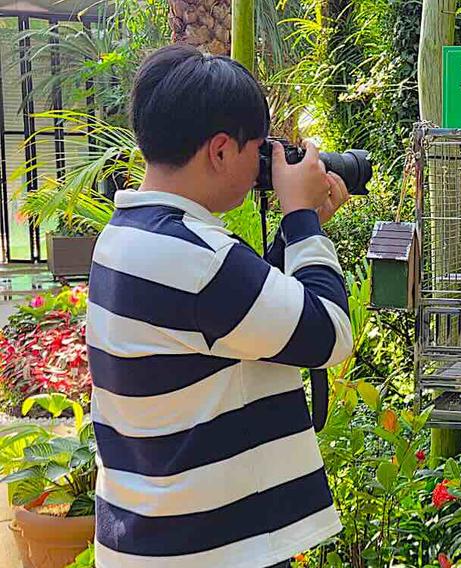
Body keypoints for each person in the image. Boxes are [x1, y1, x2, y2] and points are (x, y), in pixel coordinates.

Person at [86, 44, 353, 567]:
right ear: (222, 151)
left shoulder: (127, 238)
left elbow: (247, 315)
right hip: (211, 550)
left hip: (157, 539)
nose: (264, 166)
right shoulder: (197, 261)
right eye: (259, 151)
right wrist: (301, 219)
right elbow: (329, 334)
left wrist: (305, 228)